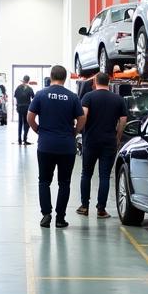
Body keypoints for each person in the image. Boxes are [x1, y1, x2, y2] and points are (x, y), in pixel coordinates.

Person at [27, 64, 85, 228]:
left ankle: (46, 215)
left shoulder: (41, 94)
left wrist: (39, 130)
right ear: (64, 78)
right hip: (67, 146)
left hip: (45, 145)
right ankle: (60, 218)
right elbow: (81, 118)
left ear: (51, 77)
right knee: (64, 182)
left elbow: (30, 117)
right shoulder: (72, 97)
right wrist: (75, 131)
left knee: (44, 180)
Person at [77, 71, 128, 218]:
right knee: (105, 176)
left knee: (86, 174)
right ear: (109, 83)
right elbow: (123, 120)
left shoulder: (88, 97)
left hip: (91, 141)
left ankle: (84, 207)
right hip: (109, 141)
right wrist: (117, 137)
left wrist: (80, 131)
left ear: (94, 83)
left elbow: (83, 115)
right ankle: (101, 209)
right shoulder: (118, 99)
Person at [14, 75, 34, 145]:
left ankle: (19, 140)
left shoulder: (18, 88)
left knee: (20, 123)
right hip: (27, 108)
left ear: (23, 79)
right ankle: (25, 139)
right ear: (28, 80)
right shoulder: (29, 88)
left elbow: (15, 97)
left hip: (20, 107)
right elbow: (33, 97)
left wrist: (17, 106)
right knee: (26, 123)